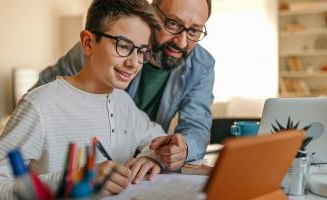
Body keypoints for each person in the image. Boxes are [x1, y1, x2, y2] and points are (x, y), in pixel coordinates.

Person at [0, 0, 165, 199]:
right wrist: (72, 180)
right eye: (123, 46)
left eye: (141, 51)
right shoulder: (40, 106)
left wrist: (151, 156)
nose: (133, 63)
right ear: (87, 43)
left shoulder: (123, 102)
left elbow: (158, 138)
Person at [34, 0, 215, 170]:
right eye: (173, 23)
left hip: (142, 165)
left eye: (194, 31)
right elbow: (45, 92)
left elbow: (196, 126)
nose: (182, 42)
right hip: (84, 168)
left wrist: (177, 150)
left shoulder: (202, 66)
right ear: (152, 13)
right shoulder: (100, 46)